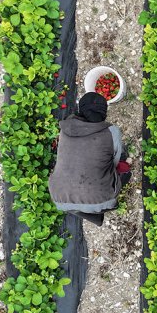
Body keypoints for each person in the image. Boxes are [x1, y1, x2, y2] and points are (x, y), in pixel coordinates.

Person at [49, 92, 131, 226]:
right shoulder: (112, 131)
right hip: (102, 200)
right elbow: (114, 162)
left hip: (59, 198)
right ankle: (96, 210)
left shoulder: (65, 129)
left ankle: (83, 210)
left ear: (80, 110)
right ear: (104, 112)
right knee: (124, 169)